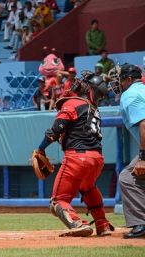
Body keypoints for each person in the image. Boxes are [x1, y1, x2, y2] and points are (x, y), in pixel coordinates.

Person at [34, 72, 115, 237]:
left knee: (58, 200)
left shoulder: (73, 103)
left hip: (77, 157)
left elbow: (54, 131)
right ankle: (102, 224)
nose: (77, 84)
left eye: (82, 83)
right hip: (97, 159)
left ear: (88, 88)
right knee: (88, 188)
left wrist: (41, 149)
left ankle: (77, 223)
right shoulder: (94, 108)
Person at [109, 64, 145, 239]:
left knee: (128, 178)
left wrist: (143, 158)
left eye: (121, 79)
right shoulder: (142, 90)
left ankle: (141, 224)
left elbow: (144, 123)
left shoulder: (130, 94)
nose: (119, 83)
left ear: (129, 79)